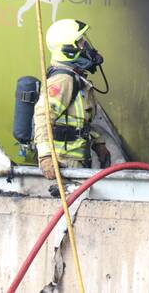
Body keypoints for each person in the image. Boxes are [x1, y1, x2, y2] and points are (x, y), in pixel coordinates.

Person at [34, 18, 114, 179]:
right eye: (81, 42)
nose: (86, 45)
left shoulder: (77, 80)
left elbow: (78, 123)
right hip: (62, 165)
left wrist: (98, 143)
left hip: (77, 162)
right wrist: (46, 157)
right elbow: (43, 116)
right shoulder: (63, 80)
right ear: (68, 49)